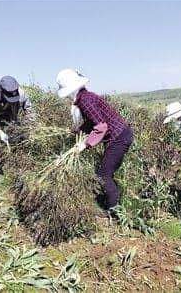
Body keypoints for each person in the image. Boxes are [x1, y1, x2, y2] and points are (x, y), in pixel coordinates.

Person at [56, 69, 134, 216]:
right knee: (106, 173)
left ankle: (114, 212)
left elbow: (101, 127)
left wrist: (84, 145)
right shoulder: (86, 97)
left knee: (104, 175)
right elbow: (92, 122)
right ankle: (110, 203)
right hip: (121, 135)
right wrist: (77, 132)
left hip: (119, 137)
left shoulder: (85, 101)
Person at [0, 76, 34, 178]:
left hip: (8, 115)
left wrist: (31, 128)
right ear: (1, 91)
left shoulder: (22, 94)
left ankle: (16, 167)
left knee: (16, 139)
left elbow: (29, 111)